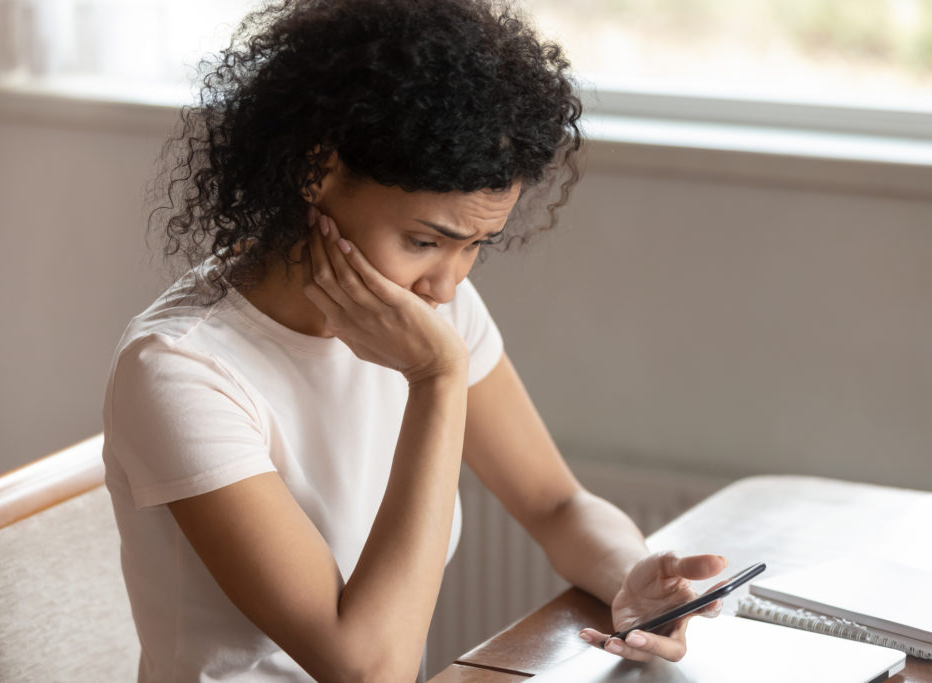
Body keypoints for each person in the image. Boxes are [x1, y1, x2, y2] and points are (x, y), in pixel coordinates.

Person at [102, 0, 727, 680]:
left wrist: (630, 577)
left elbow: (556, 504)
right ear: (318, 169)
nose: (447, 285)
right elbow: (368, 667)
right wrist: (435, 380)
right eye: (425, 241)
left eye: (476, 247)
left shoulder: (426, 309)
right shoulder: (182, 370)